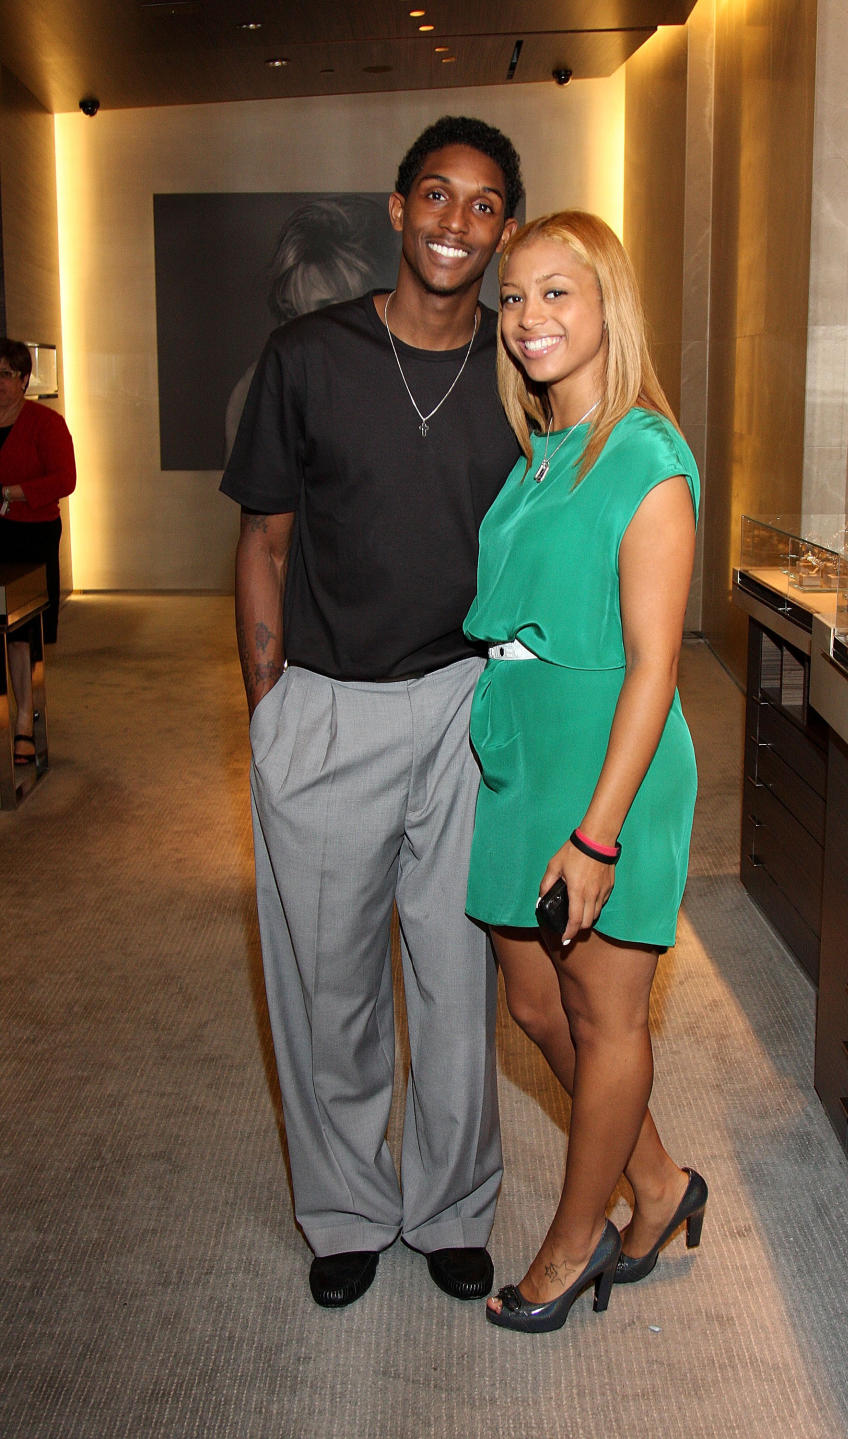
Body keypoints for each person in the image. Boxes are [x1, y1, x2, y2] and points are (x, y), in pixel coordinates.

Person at [220, 116, 523, 1309]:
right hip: (328, 703)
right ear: (396, 210)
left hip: (466, 702)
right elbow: (263, 537)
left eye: (484, 203)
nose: (457, 221)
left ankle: (450, 1205)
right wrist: (271, 706)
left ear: (503, 228)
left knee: (457, 977)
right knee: (324, 976)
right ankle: (345, 1206)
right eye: (437, 195)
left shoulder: (521, 369)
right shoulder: (306, 358)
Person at [462, 211, 708, 1334]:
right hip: (528, 755)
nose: (529, 319)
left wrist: (600, 834)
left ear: (610, 303)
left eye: (557, 293)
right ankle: (658, 1179)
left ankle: (578, 1237)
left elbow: (657, 662)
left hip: (611, 763)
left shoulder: (644, 455)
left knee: (605, 1018)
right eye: (514, 299)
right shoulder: (540, 453)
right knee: (531, 998)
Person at [224, 195, 393, 458]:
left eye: (326, 311)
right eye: (293, 313)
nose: (304, 335)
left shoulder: (414, 386)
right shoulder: (258, 389)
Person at [0, 339, 77, 765]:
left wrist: (10, 493)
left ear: (25, 380)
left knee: (20, 635)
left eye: (5, 375)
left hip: (30, 537)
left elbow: (65, 480)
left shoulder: (45, 424)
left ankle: (25, 726)